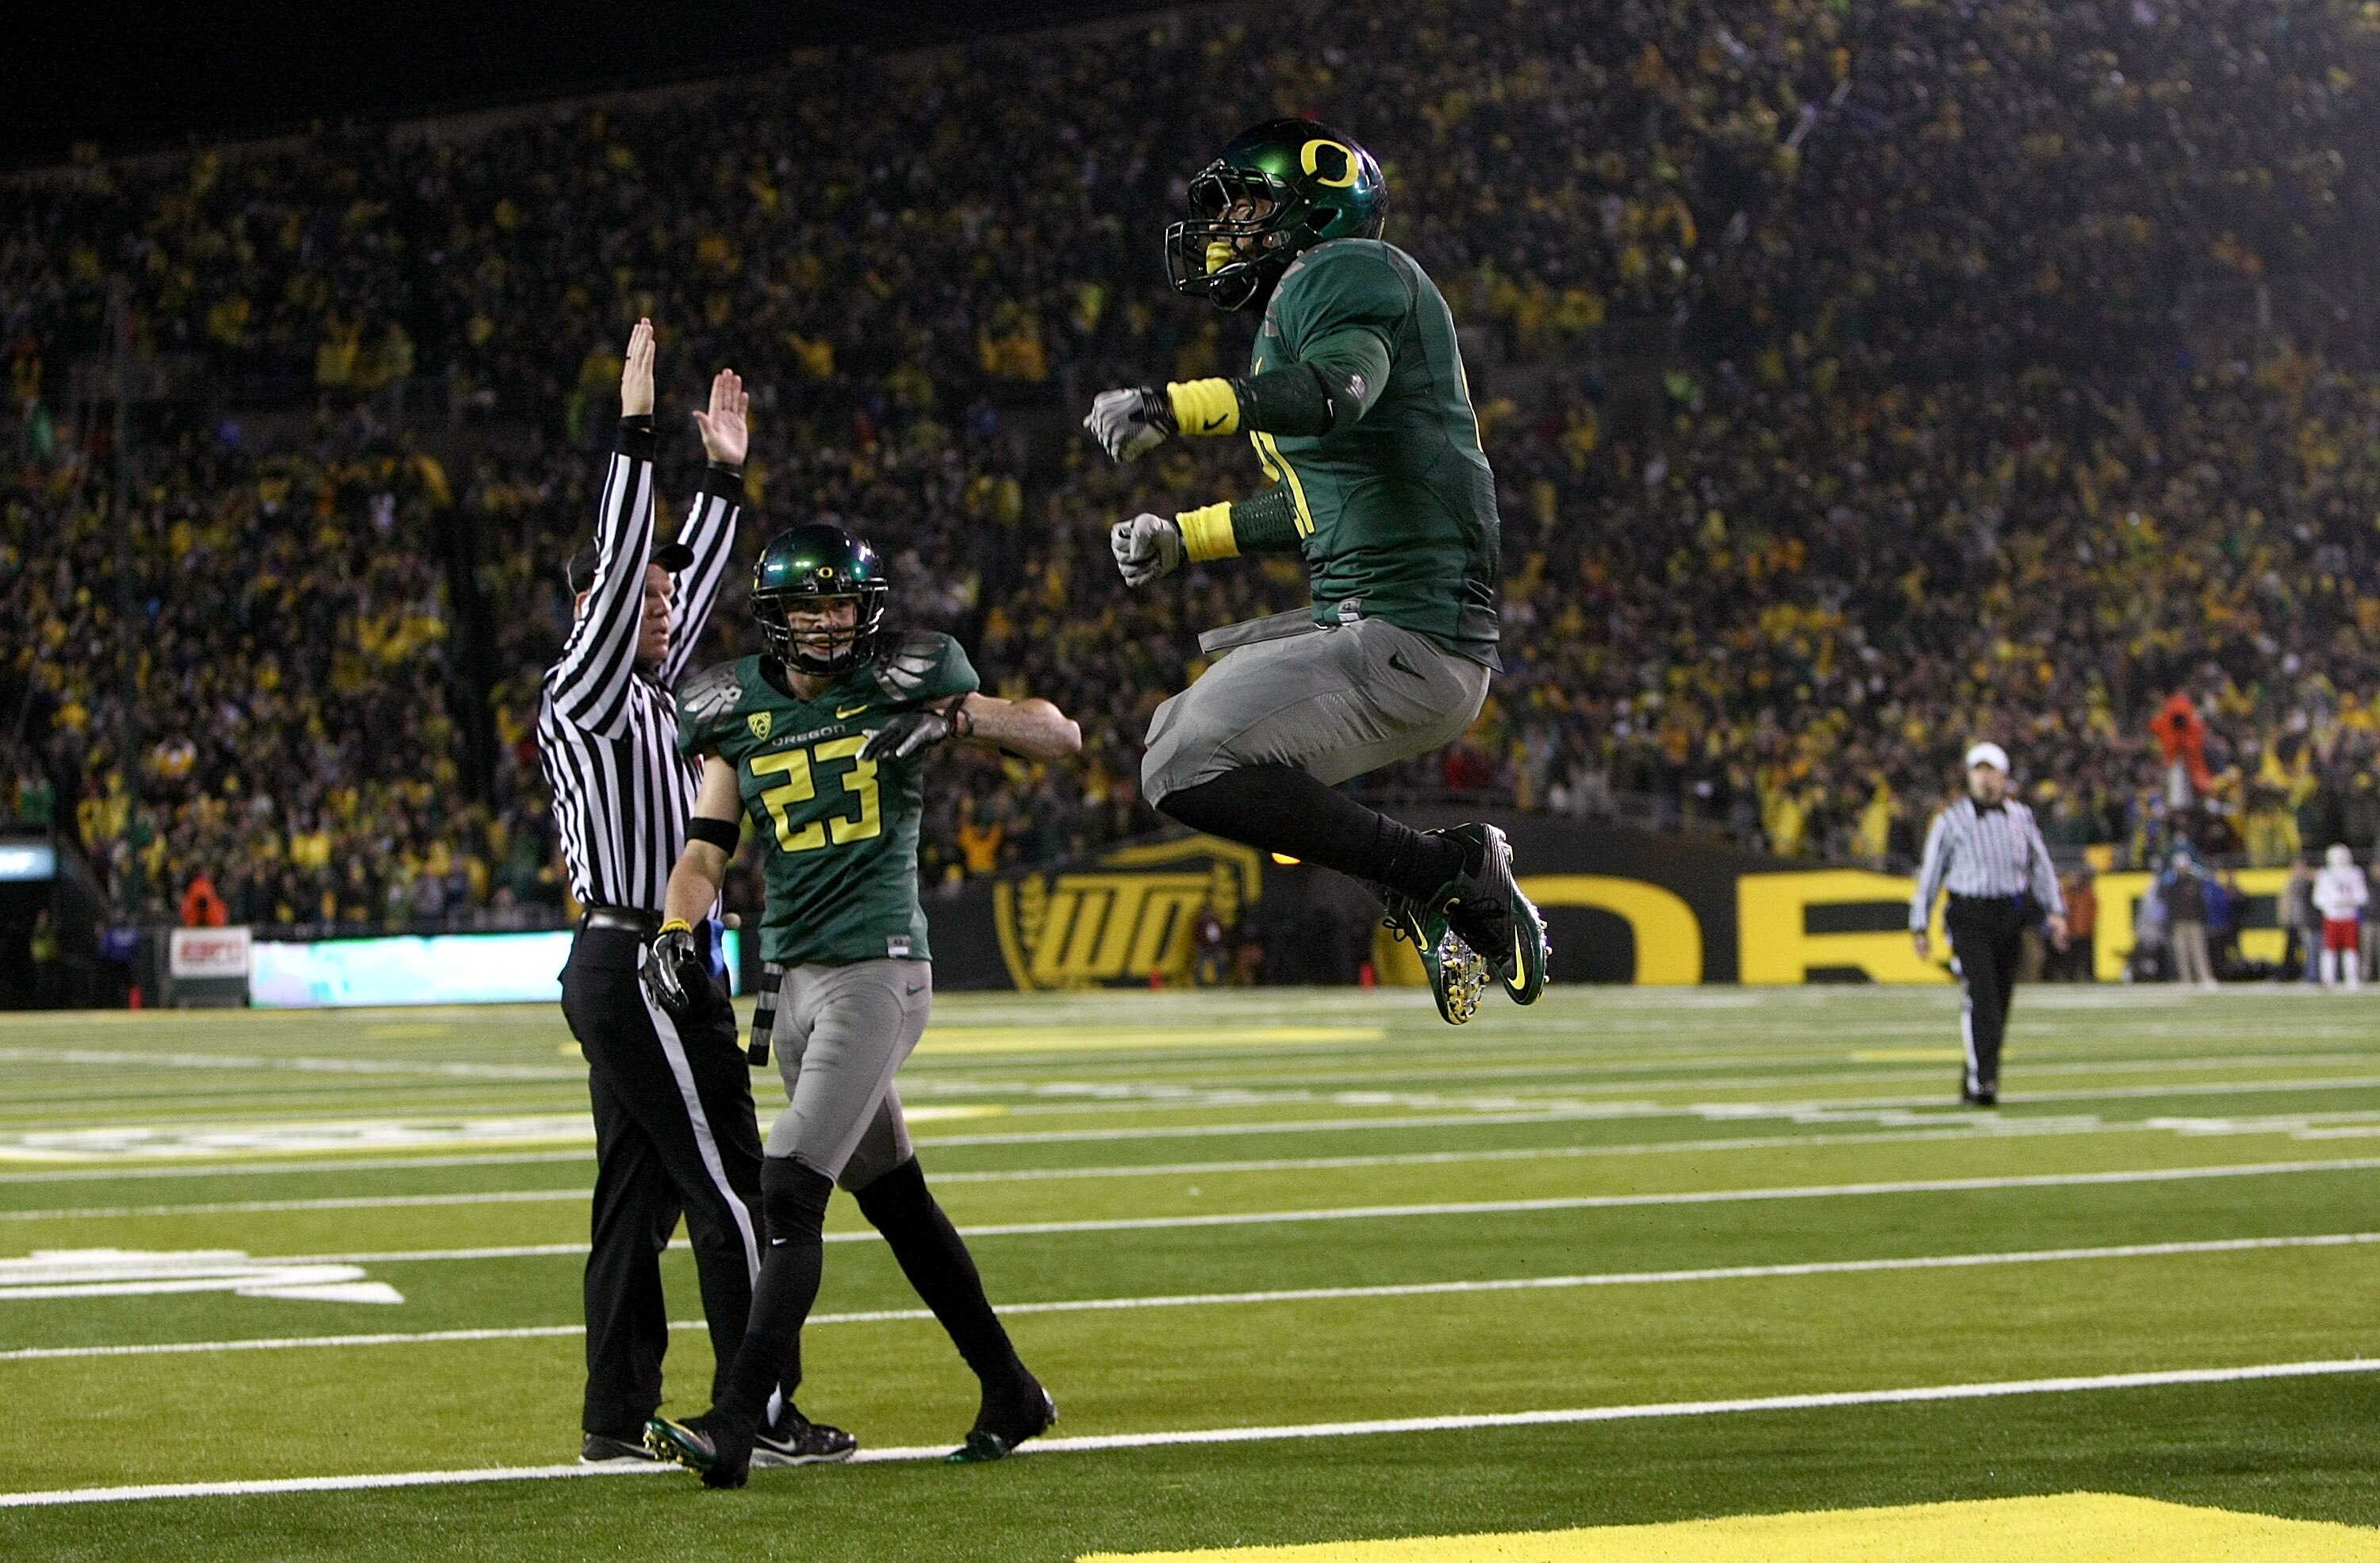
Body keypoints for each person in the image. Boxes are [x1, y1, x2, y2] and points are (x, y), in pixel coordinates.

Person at [642, 523, 1082, 1487]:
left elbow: (1059, 734)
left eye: (843, 603)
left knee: (790, 1184)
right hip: (791, 983)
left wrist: (956, 720)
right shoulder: (732, 707)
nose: (831, 623)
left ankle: (735, 1421)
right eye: (811, 607)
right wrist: (676, 927)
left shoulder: (907, 678)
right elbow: (704, 851)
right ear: (778, 617)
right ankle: (1010, 1387)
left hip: (878, 971)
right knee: (897, 1200)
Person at [1082, 117, 1546, 1027]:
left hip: (1408, 630)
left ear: (1314, 206)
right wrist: (1187, 537)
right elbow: (1312, 504)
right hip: (1389, 628)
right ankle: (1427, 874)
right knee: (1176, 740)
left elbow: (1338, 394)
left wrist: (1177, 407)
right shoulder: (1306, 302)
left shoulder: (1345, 270)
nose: (1227, 232)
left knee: (1183, 757)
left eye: (1246, 209)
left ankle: (1439, 871)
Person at [536, 322, 840, 1470]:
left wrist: (722, 477)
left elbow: (678, 579)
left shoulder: (653, 697)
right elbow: (630, 571)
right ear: (592, 609)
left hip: (644, 961)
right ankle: (760, 1408)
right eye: (641, 598)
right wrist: (633, 430)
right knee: (730, 1184)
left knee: (635, 1198)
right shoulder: (587, 688)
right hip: (637, 961)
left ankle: (615, 1414)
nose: (664, 607)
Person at [1910, 743, 2070, 1107]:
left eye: (1990, 770)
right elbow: (1931, 875)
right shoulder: (1951, 821)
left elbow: (2040, 866)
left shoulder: (2021, 816)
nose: (1984, 778)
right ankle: (1983, 1080)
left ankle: (1981, 1074)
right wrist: (1919, 925)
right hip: (1969, 915)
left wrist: (2055, 911)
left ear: (2004, 776)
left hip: (2008, 915)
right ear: (1969, 776)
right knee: (1981, 997)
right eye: (1978, 770)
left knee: (1999, 1002)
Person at [2313, 843, 2368, 990]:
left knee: (2351, 949)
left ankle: (2352, 979)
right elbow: (2318, 899)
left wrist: (2349, 900)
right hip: (2332, 916)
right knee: (2330, 949)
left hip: (2349, 915)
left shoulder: (2355, 873)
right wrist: (2333, 902)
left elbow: (2363, 896)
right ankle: (2328, 980)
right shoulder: (2325, 874)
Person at [2164, 852, 2215, 990]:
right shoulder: (2173, 885)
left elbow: (2201, 903)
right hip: (2179, 923)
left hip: (2194, 922)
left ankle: (2205, 978)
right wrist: (2171, 921)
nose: (2182, 869)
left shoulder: (2195, 883)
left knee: (2199, 951)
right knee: (2182, 953)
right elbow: (2170, 906)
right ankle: (2186, 980)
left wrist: (2203, 919)